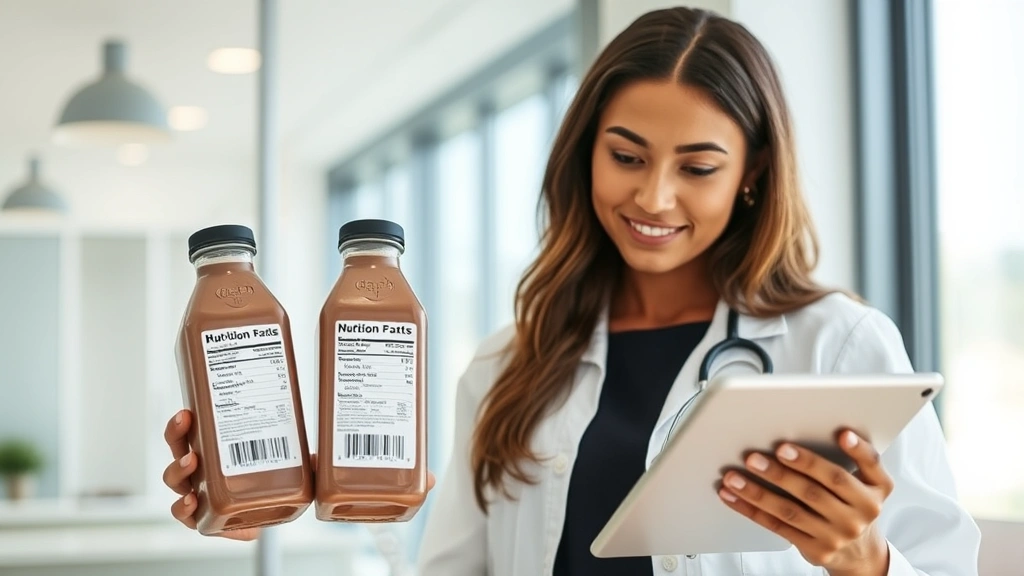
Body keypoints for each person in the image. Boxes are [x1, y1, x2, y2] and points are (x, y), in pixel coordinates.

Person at [162, 5, 980, 576]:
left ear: (754, 176)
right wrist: (287, 498)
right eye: (626, 156)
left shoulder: (836, 346)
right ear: (584, 154)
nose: (654, 198)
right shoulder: (506, 365)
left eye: (697, 168)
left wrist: (860, 562)